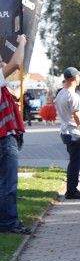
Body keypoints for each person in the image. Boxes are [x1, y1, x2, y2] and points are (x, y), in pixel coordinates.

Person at [0, 35, 30, 234]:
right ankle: (8, 223)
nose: (2, 61)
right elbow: (16, 62)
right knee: (7, 183)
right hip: (3, 139)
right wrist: (22, 43)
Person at [55, 66, 80, 200]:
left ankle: (71, 188)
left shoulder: (61, 93)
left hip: (65, 131)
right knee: (76, 162)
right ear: (75, 78)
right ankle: (71, 190)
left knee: (73, 161)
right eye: (79, 76)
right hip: (74, 132)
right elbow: (77, 115)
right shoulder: (73, 95)